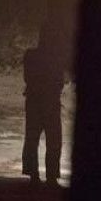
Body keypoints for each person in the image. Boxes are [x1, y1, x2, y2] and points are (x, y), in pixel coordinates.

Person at [22, 23, 66, 186]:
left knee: (32, 138)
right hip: (51, 102)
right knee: (54, 140)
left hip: (34, 101)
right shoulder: (56, 57)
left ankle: (33, 174)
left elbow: (28, 78)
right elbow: (59, 82)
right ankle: (51, 176)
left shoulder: (31, 55)